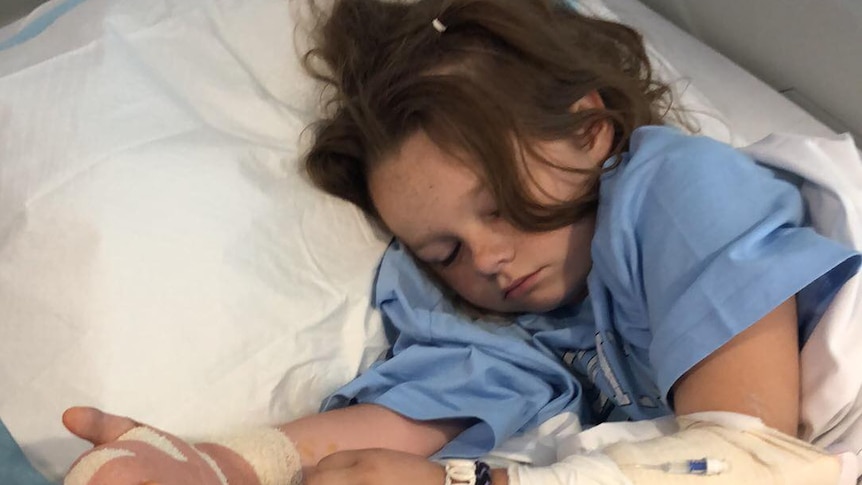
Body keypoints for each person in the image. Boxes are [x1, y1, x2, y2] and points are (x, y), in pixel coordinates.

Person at [62, 0, 861, 484]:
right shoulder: (523, 316)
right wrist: (220, 464)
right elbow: (402, 420)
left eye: (500, 204)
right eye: (443, 252)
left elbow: (754, 465)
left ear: (589, 129)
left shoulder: (677, 189)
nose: (482, 257)